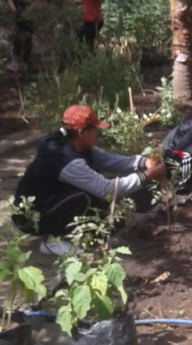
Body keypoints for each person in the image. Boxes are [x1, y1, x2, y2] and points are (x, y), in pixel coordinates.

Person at [13, 105, 166, 249]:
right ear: (82, 132)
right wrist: (148, 176)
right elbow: (107, 189)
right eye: (94, 130)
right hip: (32, 218)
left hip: (51, 201)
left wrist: (143, 161)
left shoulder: (74, 143)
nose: (97, 134)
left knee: (92, 188)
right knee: (84, 197)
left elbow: (109, 160)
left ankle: (75, 234)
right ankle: (52, 242)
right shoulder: (66, 159)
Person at [0, 0, 33, 72]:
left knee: (16, 39)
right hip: (29, 18)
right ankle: (24, 63)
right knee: (27, 40)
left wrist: (14, 24)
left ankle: (15, 63)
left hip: (21, 19)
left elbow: (13, 10)